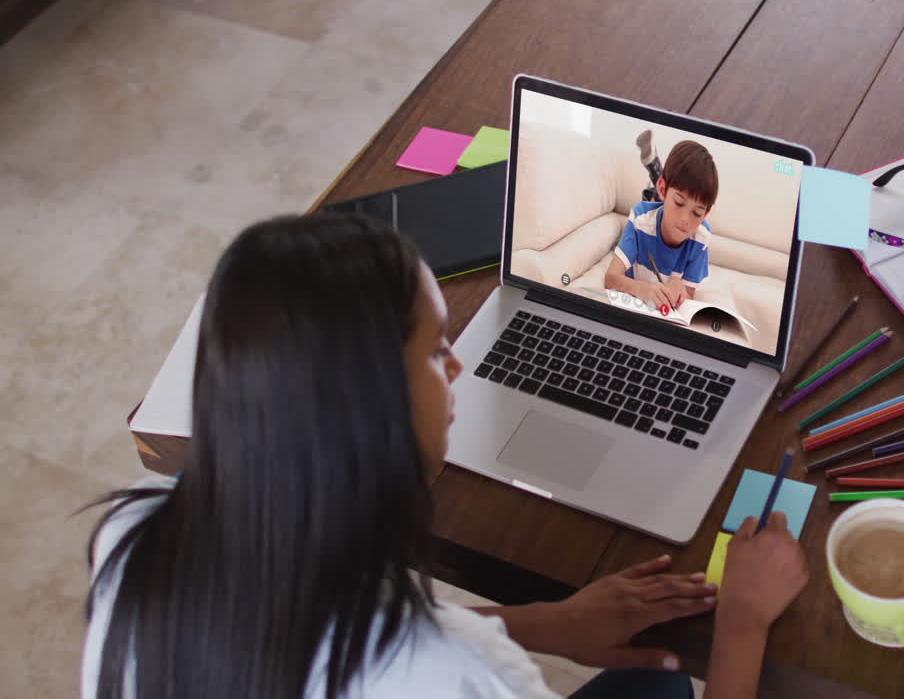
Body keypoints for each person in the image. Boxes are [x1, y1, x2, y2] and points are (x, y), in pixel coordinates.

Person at [82, 213, 808, 699]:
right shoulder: (452, 679)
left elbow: (331, 635)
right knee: (669, 679)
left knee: (650, 681)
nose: (458, 365)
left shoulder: (136, 536)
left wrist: (545, 624)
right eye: (435, 350)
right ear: (371, 410)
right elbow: (422, 660)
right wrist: (741, 623)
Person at [604, 140, 717, 312]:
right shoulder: (640, 220)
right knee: (643, 217)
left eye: (697, 213)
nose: (686, 219)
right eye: (679, 203)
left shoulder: (701, 237)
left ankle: (655, 173)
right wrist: (641, 288)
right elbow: (611, 278)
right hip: (644, 225)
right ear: (664, 190)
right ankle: (654, 180)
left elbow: (689, 292)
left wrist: (680, 287)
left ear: (706, 214)